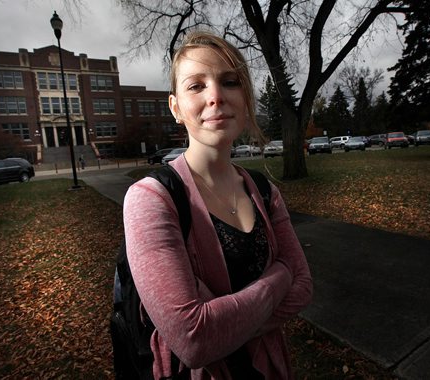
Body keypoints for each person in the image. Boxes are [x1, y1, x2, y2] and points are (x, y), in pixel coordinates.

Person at [123, 31, 313, 379]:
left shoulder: (264, 190)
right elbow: (194, 340)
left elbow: (303, 288)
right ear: (175, 107)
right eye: (196, 86)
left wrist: (223, 322)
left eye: (229, 81)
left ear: (245, 98)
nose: (215, 96)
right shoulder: (151, 199)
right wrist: (279, 275)